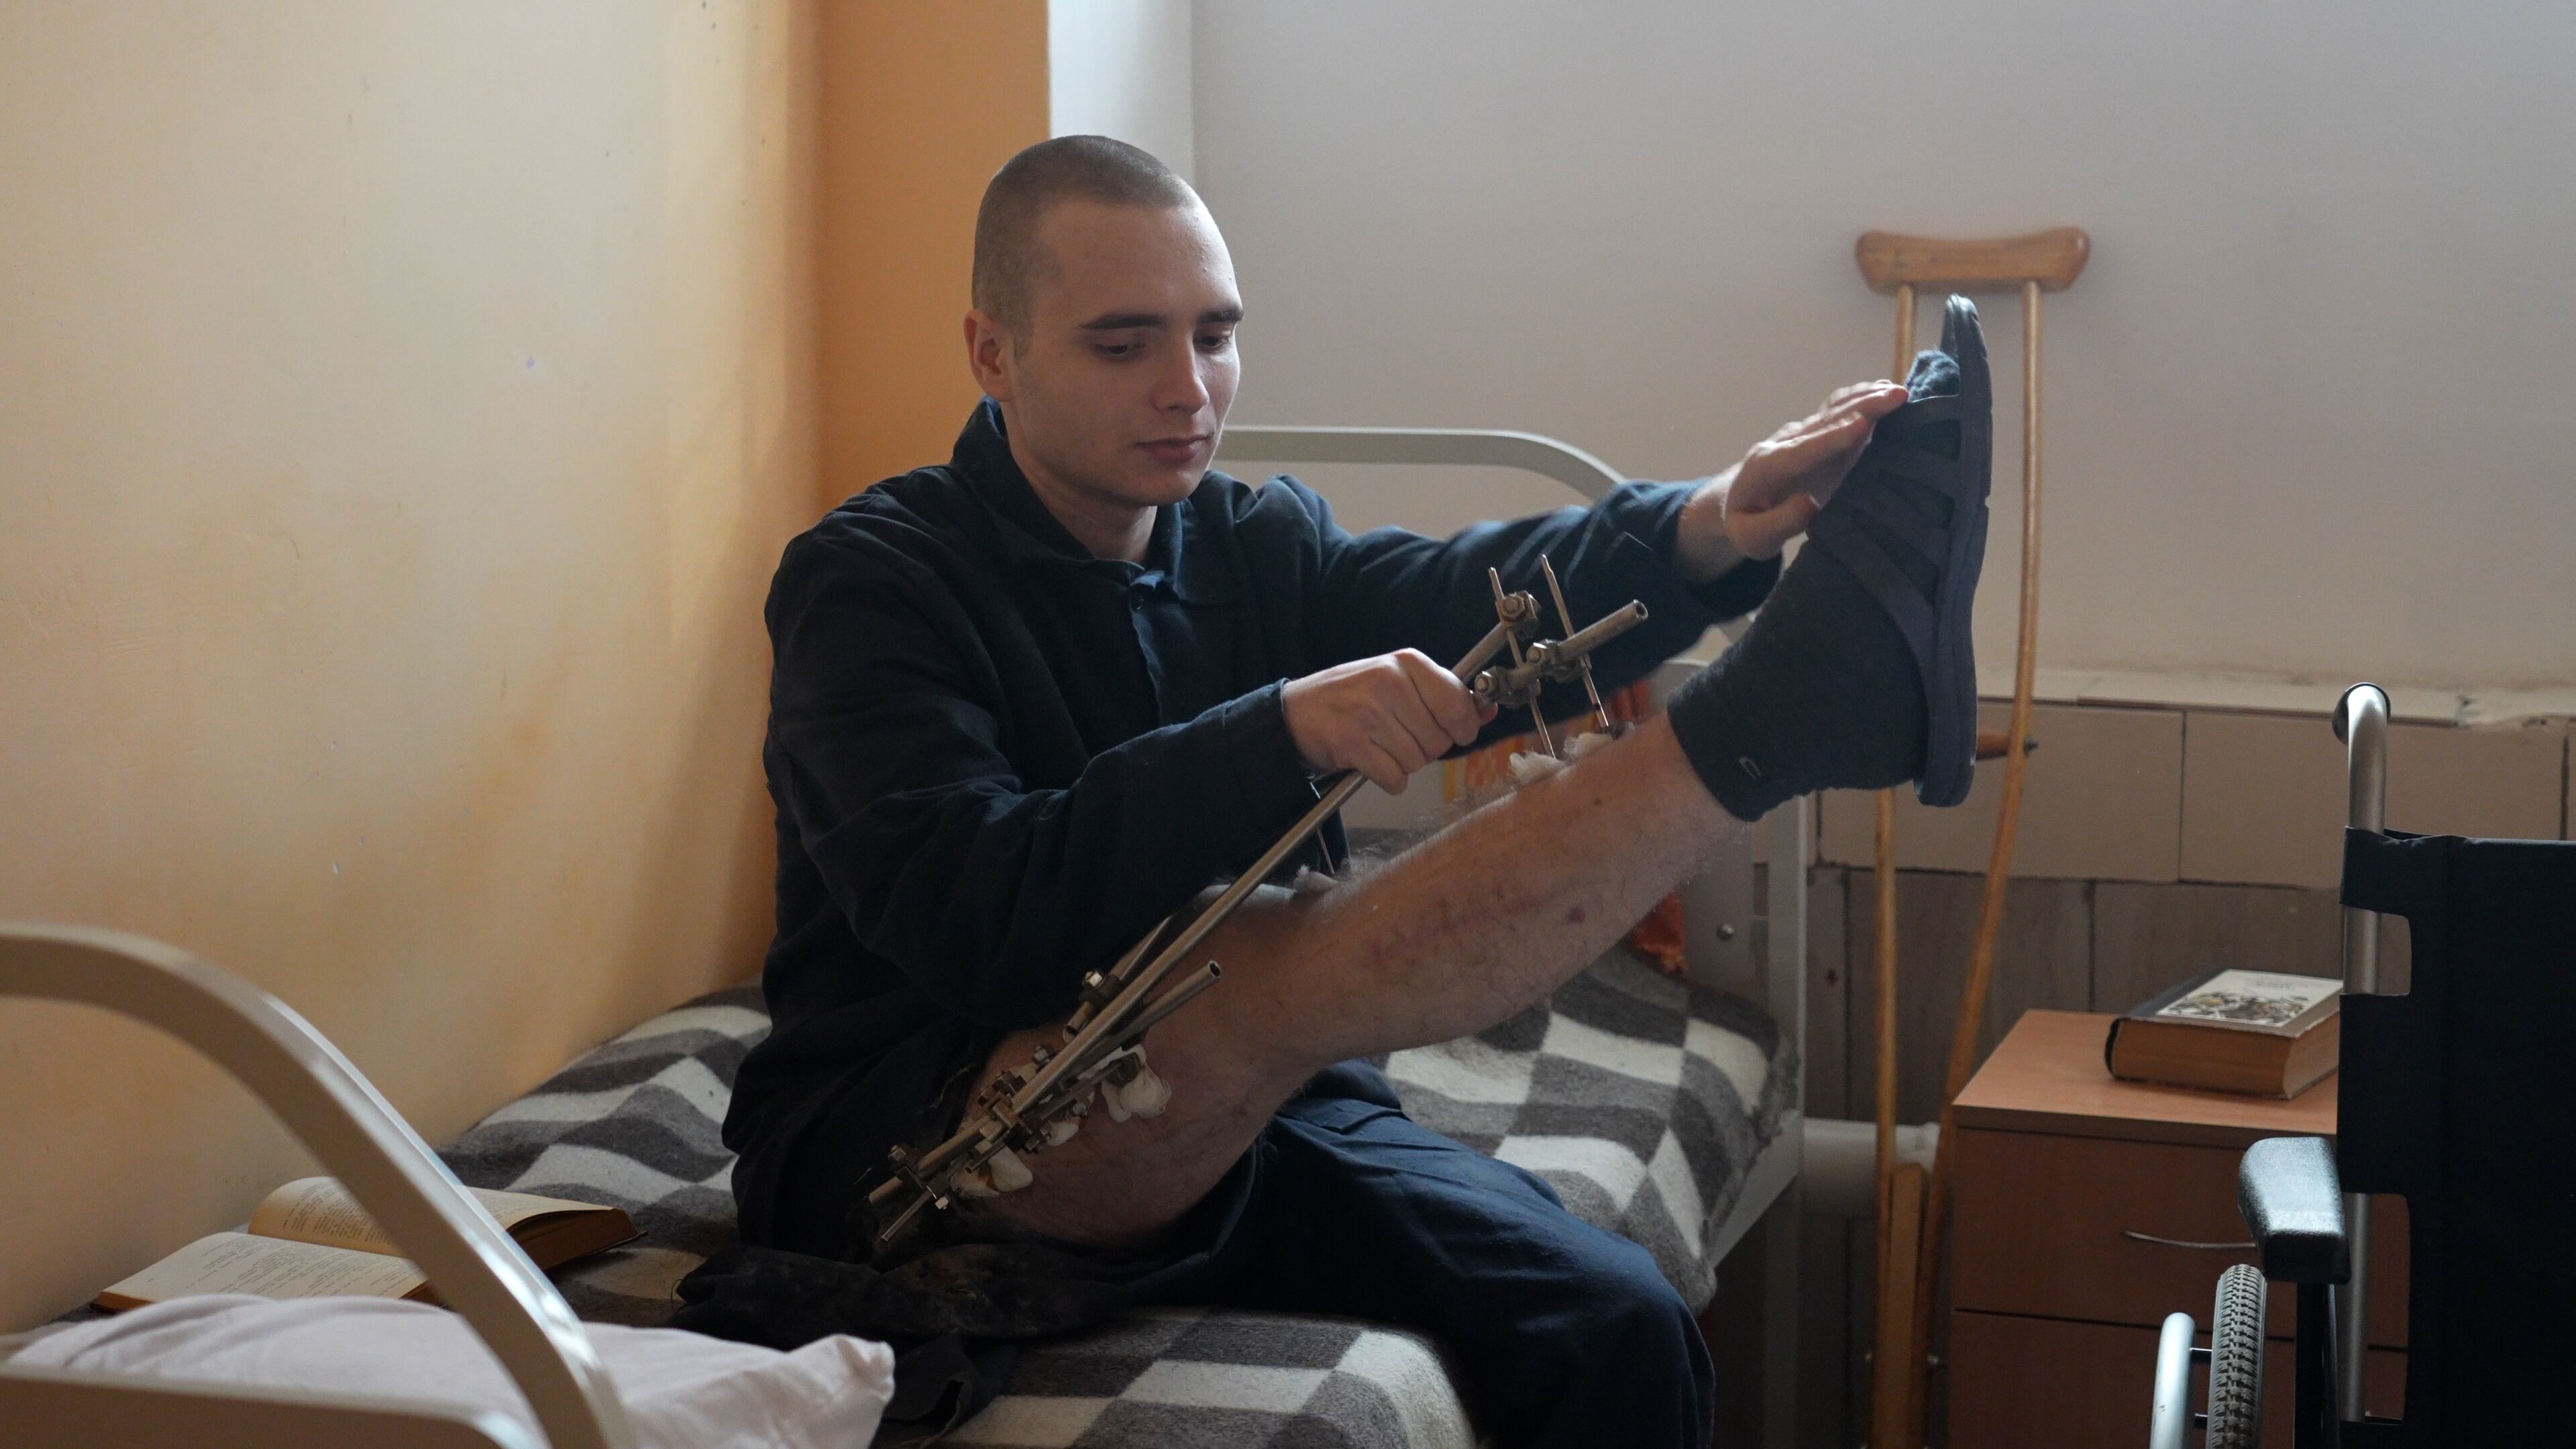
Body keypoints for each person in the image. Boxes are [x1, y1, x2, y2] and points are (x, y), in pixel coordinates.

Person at [694, 135, 1990, 1448]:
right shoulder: (868, 584)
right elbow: (974, 915)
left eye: (1216, 334)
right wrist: (1274, 732)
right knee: (1253, 960)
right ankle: (1781, 717)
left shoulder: (1254, 545)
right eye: (1124, 343)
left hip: (1254, 1109)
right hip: (900, 1132)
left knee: (1616, 1323)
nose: (1187, 388)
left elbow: (1477, 611)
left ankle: (1789, 704)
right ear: (992, 354)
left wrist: (1711, 521)